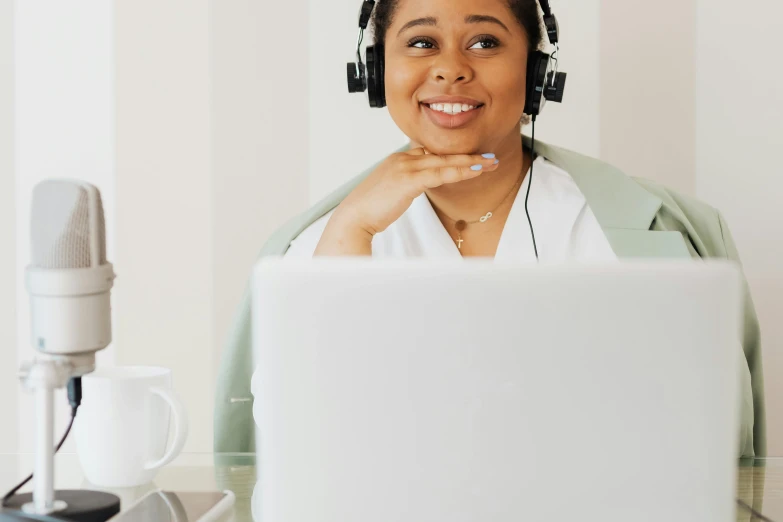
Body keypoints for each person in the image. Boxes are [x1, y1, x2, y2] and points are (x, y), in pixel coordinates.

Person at [214, 0, 765, 458]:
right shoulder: (313, 246)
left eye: (484, 42)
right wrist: (350, 233)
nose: (451, 67)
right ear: (378, 71)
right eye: (422, 42)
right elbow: (290, 449)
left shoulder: (654, 229)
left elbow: (707, 437)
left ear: (535, 72)